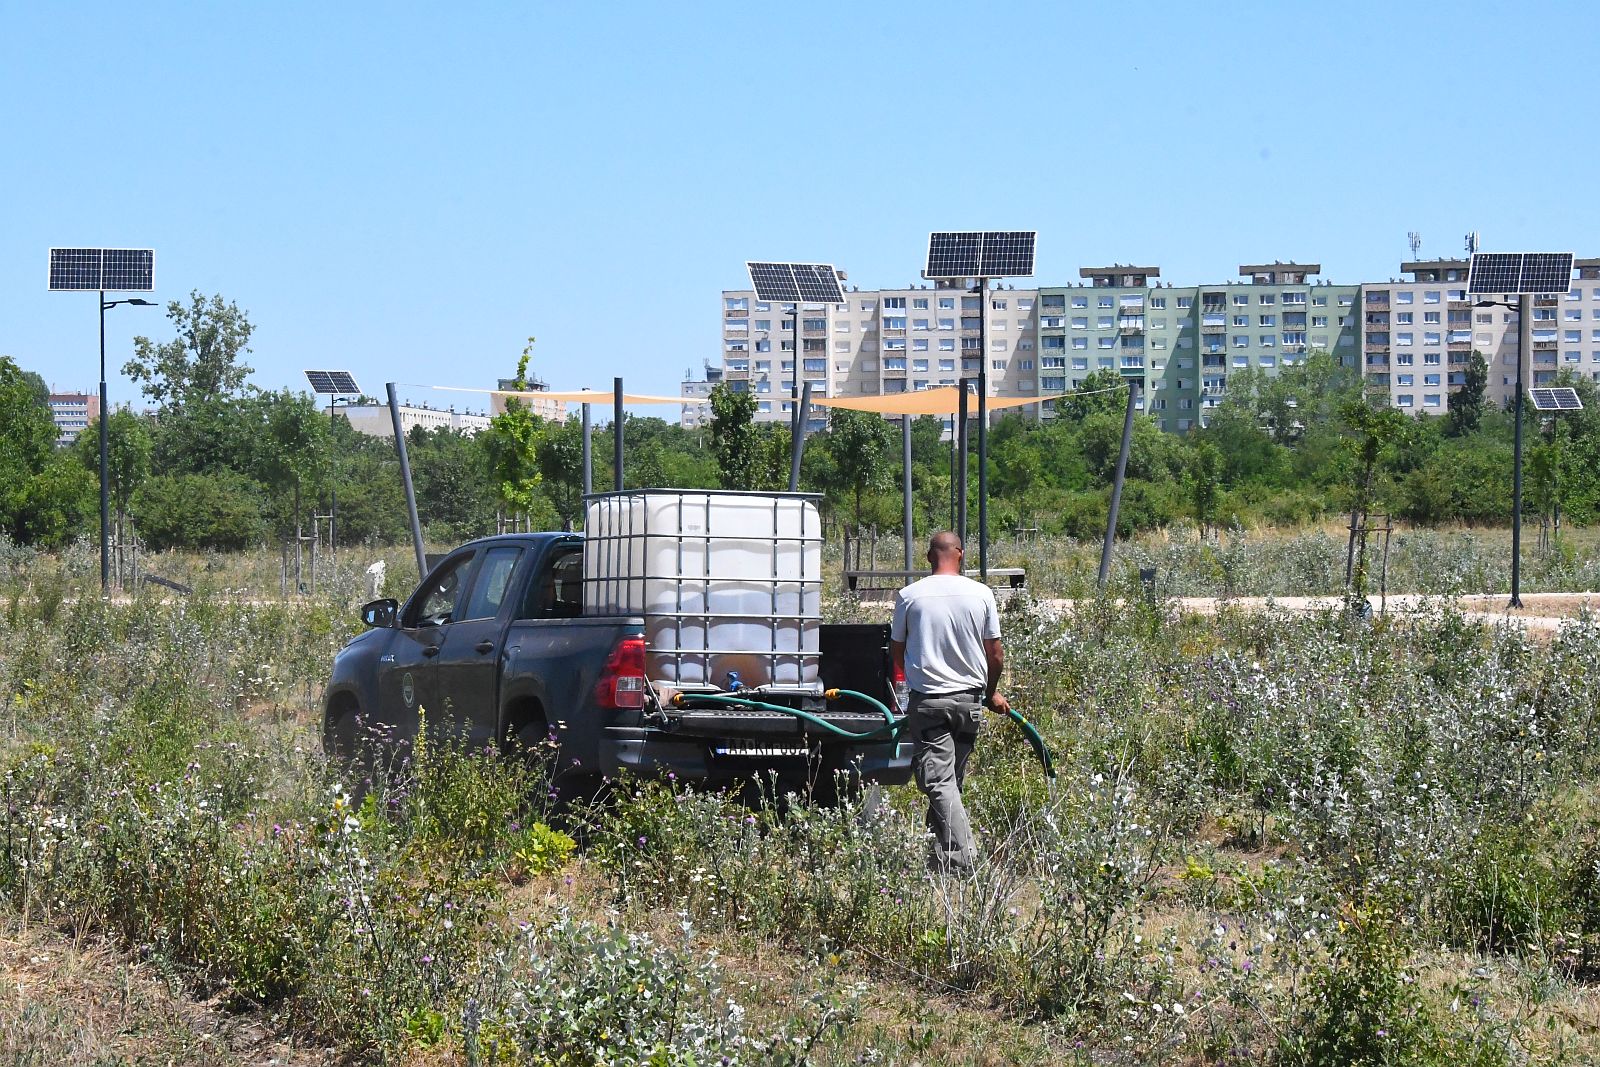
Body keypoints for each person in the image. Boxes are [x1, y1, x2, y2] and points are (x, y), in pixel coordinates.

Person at [889, 532, 1008, 874]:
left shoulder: (910, 596)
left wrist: (911, 680)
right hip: (969, 703)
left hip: (929, 702)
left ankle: (965, 861)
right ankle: (939, 861)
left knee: (940, 783)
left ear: (929, 557)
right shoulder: (981, 594)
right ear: (961, 554)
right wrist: (990, 692)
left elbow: (896, 651)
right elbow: (995, 654)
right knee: (948, 782)